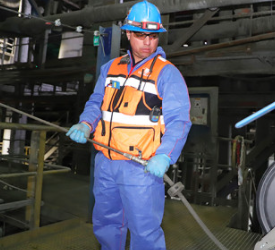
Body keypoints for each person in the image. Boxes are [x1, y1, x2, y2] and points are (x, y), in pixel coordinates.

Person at [66, 1, 192, 249]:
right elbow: (96, 102)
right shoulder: (110, 68)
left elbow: (180, 121)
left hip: (142, 168)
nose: (147, 42)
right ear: (127, 33)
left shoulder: (167, 73)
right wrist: (85, 124)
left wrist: (165, 156)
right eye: (140, 35)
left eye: (153, 36)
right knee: (106, 225)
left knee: (145, 232)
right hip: (105, 164)